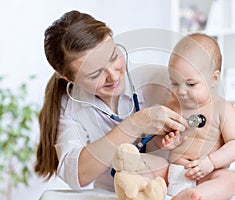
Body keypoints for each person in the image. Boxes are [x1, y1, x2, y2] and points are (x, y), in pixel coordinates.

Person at [34, 10, 188, 191]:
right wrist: (135, 124)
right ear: (70, 80)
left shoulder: (162, 80)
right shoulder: (69, 107)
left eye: (114, 57)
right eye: (95, 74)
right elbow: (78, 174)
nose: (113, 76)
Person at [158, 33, 235, 200]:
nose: (181, 91)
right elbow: (157, 139)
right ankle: (145, 189)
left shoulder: (223, 109)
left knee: (230, 181)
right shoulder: (171, 106)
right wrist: (166, 142)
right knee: (143, 162)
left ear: (213, 79)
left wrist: (211, 162)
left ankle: (196, 196)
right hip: (173, 170)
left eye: (191, 84)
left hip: (207, 174)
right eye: (175, 83)